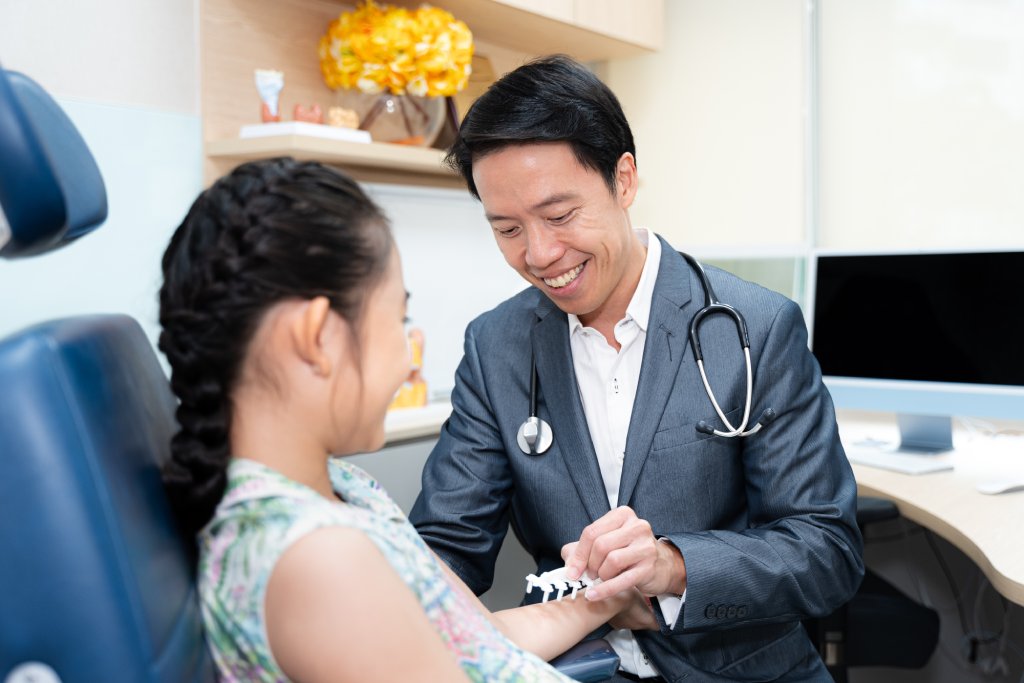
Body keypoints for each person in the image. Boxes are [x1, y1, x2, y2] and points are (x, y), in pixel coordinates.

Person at [409, 55, 865, 682]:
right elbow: (446, 543)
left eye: (560, 216)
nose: (539, 254)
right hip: (581, 667)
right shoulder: (497, 347)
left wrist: (673, 566)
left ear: (623, 180)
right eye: (508, 229)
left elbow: (827, 550)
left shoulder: (755, 327)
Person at [158, 157, 656, 682]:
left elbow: (475, 639)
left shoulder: (341, 488)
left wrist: (604, 599)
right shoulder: (319, 559)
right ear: (316, 337)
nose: (406, 361)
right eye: (399, 320)